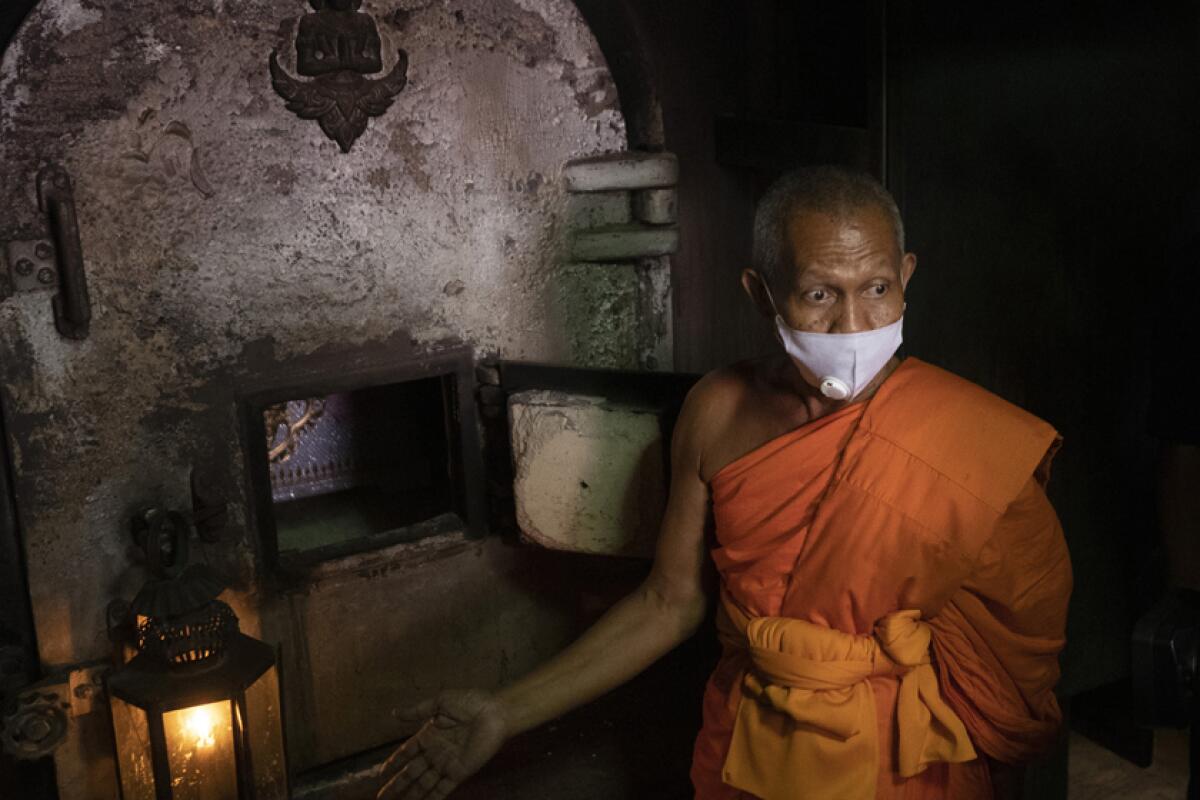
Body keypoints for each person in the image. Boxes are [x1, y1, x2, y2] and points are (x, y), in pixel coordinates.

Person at [376, 166, 1073, 800]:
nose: (853, 325)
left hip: (902, 761)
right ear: (760, 295)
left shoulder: (968, 442)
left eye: (878, 289)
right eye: (820, 294)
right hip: (748, 745)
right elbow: (669, 601)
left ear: (907, 276)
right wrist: (505, 711)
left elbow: (1011, 667)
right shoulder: (717, 412)